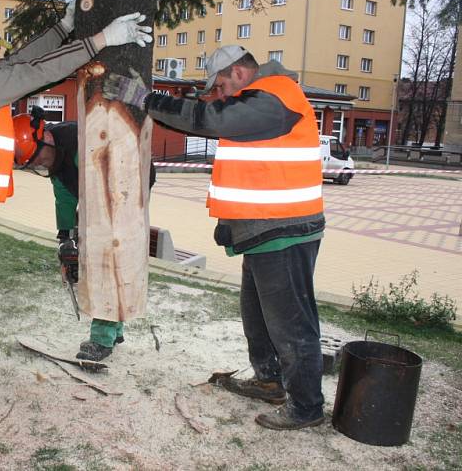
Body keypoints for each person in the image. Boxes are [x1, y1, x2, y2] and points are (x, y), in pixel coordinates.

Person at [0, 9, 153, 411]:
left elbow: (22, 62)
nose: (1, 59)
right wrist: (99, 41)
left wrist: (62, 29)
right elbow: (32, 73)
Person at [103, 45, 326, 430]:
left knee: (290, 324)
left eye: (221, 86)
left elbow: (208, 119)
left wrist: (143, 98)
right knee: (258, 318)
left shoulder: (274, 97)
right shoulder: (259, 99)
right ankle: (269, 379)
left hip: (285, 231)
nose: (220, 95)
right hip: (264, 229)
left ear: (239, 73)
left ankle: (307, 406)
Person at [12, 112, 155, 362]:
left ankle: (102, 338)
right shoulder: (56, 157)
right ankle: (114, 329)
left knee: (107, 262)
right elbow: (65, 195)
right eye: (34, 164)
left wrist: (88, 237)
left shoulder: (83, 144)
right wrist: (66, 237)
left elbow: (100, 194)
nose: (41, 164)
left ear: (45, 137)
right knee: (102, 254)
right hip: (103, 191)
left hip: (127, 185)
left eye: (39, 159)